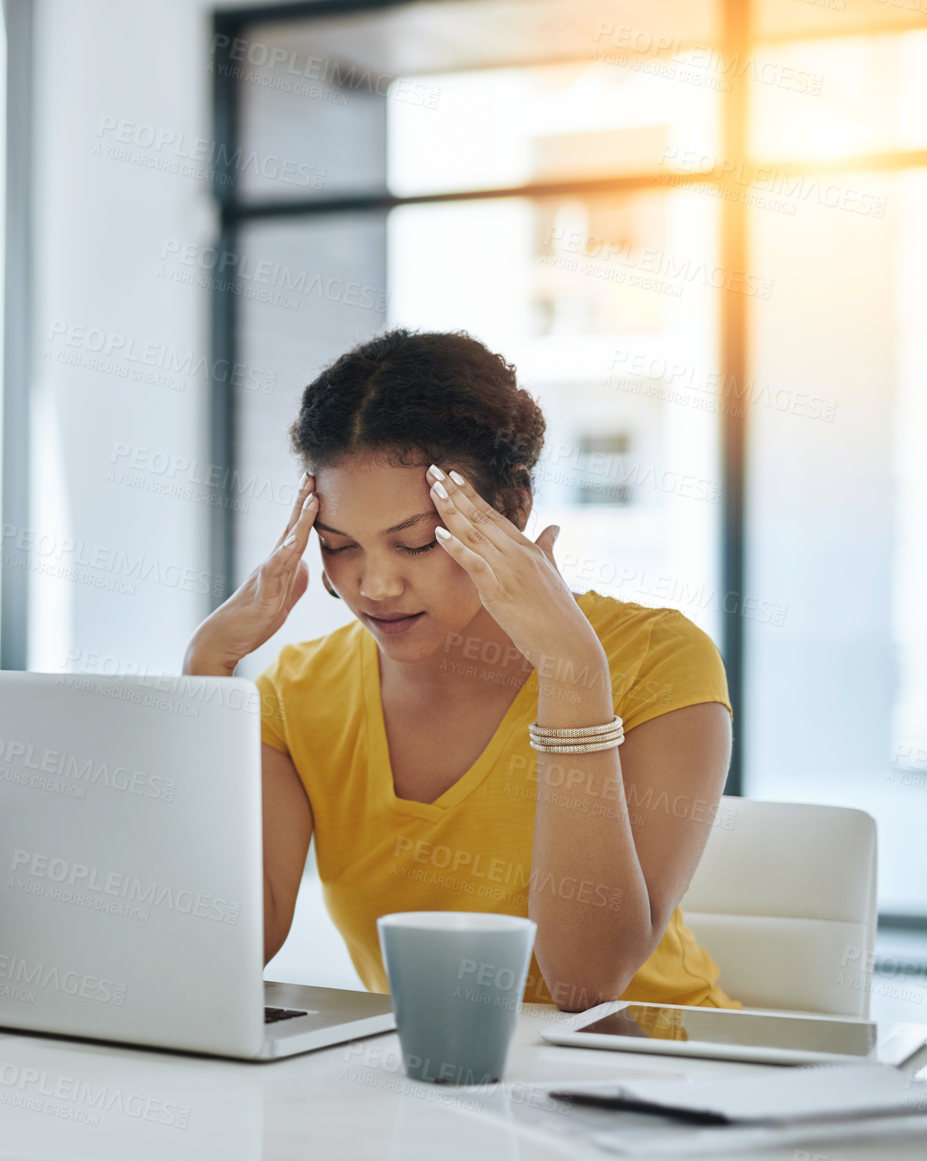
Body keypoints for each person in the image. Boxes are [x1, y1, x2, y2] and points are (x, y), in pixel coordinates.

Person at [183, 328, 738, 1011]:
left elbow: (584, 979)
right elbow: (227, 941)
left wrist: (570, 674)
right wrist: (206, 669)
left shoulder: (656, 658)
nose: (374, 584)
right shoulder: (298, 692)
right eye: (339, 546)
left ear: (511, 506)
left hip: (659, 1086)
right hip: (428, 1092)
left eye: (415, 542)